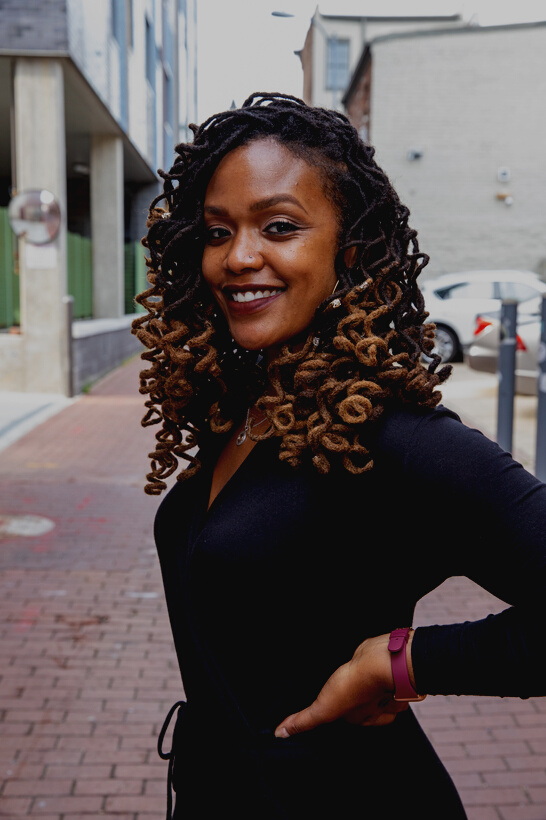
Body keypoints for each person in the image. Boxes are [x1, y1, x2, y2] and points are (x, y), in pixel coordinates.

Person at [132, 93, 546, 819]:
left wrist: (403, 663)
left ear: (347, 253)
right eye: (218, 231)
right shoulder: (244, 409)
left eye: (280, 227)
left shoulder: (397, 438)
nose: (239, 257)